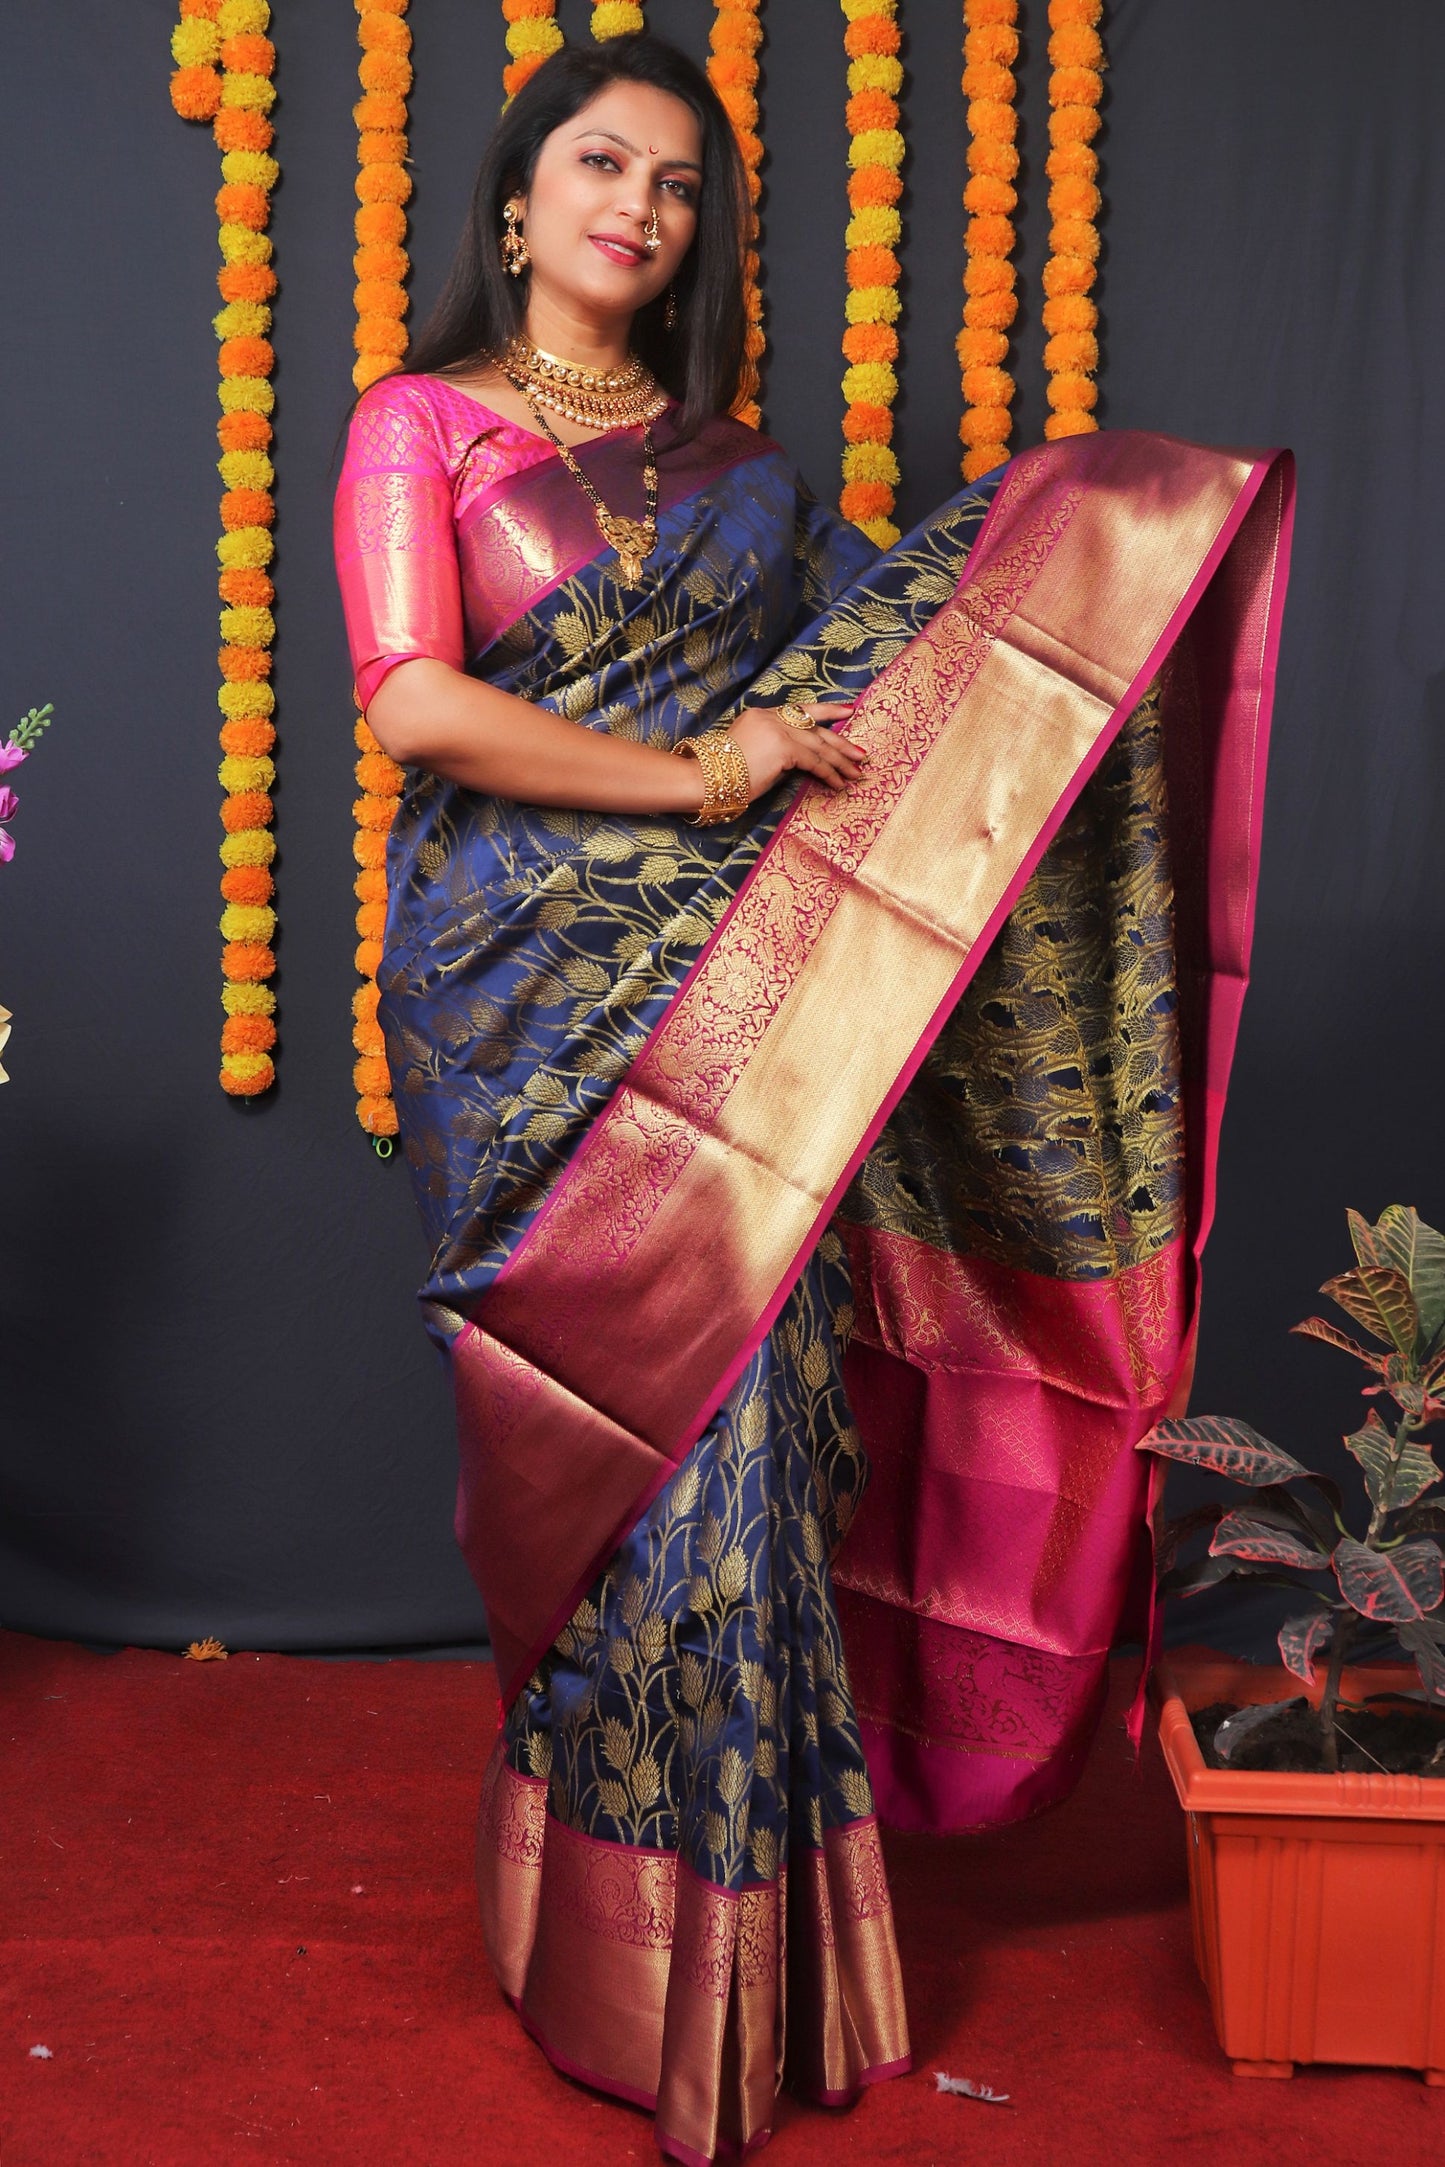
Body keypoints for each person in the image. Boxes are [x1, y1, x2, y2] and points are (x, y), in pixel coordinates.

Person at [333, 32, 1292, 2163]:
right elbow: (413, 704)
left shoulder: (754, 475)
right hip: (517, 987)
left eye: (677, 184)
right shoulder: (422, 426)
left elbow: (928, 655)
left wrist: (1118, 539)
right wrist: (698, 772)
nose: (637, 208)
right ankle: (614, 1949)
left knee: (747, 1431)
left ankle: (727, 1975)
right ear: (516, 201)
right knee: (600, 1432)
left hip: (752, 1001)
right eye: (601, 163)